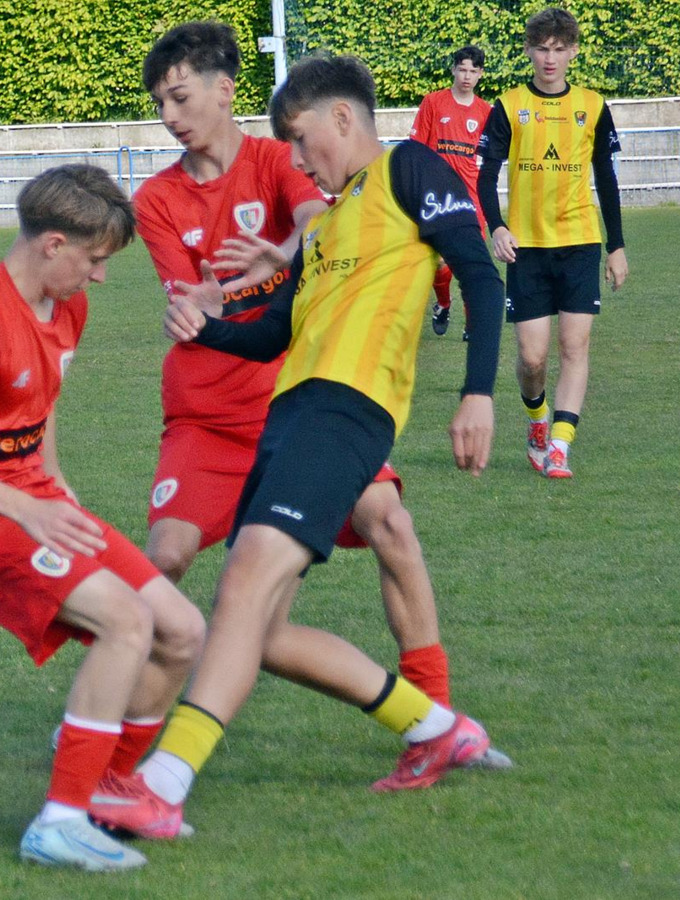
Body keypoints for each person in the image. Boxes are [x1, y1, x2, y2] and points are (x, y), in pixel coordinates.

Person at [88, 55, 508, 836]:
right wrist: (204, 326)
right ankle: (435, 729)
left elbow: (480, 276)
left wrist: (477, 393)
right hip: (288, 417)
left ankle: (162, 786)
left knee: (246, 584)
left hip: (347, 410)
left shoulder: (408, 169)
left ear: (342, 118)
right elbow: (272, 333)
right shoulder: (330, 227)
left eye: (303, 138)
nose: (299, 158)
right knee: (262, 631)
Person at [0, 165, 205, 871]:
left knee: (181, 630)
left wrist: (55, 485)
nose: (100, 276)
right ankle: (59, 824)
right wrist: (26, 508)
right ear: (53, 243)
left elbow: (40, 403)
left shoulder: (67, 308)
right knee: (125, 622)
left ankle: (106, 789)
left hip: (31, 497)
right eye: (94, 260)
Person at [477, 8, 629, 479]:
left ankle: (560, 446)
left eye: (559, 49)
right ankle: (537, 418)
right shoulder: (508, 106)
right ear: (528, 50)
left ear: (573, 52)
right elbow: (486, 175)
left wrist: (616, 245)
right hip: (527, 248)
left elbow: (607, 178)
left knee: (575, 347)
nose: (550, 58)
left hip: (580, 242)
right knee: (532, 358)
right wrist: (497, 226)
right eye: (542, 48)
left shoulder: (593, 106)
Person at [410, 45, 492, 340]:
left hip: (470, 198)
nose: (467, 76)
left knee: (471, 263)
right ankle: (443, 304)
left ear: (480, 74)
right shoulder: (433, 102)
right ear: (454, 70)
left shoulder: (486, 112)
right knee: (440, 264)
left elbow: (488, 158)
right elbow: (416, 148)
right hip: (437, 196)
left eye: (473, 71)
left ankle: (472, 326)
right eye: (462, 69)